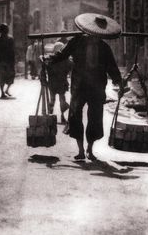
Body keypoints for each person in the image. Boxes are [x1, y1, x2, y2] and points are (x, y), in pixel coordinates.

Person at [47, 13, 123, 161]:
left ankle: (90, 149)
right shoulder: (76, 42)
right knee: (75, 116)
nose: (95, 37)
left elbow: (112, 67)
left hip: (97, 88)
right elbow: (63, 55)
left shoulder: (104, 48)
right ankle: (81, 150)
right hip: (79, 85)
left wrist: (119, 82)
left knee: (95, 118)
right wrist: (49, 59)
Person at [46, 41, 71, 124]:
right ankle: (62, 116)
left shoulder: (50, 59)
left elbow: (46, 67)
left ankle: (50, 115)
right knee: (62, 100)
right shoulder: (66, 60)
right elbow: (71, 67)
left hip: (52, 83)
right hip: (61, 83)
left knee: (52, 99)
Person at [0, 23, 15, 99]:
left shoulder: (7, 39)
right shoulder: (7, 39)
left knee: (6, 77)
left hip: (4, 61)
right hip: (5, 61)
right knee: (5, 77)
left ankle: (4, 91)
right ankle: (3, 92)